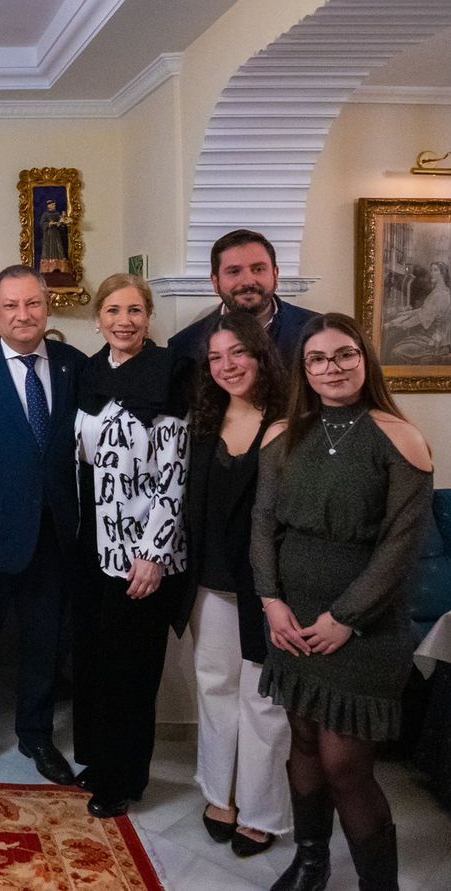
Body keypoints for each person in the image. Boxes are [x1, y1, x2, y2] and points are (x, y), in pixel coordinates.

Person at [251, 313, 432, 891]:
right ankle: (310, 862)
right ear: (304, 370)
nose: (333, 368)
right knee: (303, 738)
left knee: (345, 764)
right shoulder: (283, 434)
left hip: (365, 627)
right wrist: (271, 602)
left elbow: (401, 547)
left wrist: (345, 620)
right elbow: (261, 525)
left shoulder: (399, 436)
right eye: (319, 359)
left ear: (365, 358)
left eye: (345, 355)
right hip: (291, 618)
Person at [0, 264, 85, 786]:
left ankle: (36, 734)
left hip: (55, 534)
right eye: (11, 306)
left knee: (44, 643)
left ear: (47, 307)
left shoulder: (77, 366)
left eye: (32, 304)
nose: (23, 315)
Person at [72, 272, 191, 819]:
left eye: (135, 311)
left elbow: (174, 476)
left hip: (142, 552)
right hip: (91, 548)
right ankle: (98, 760)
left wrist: (153, 554)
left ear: (149, 318)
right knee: (94, 660)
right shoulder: (88, 372)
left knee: (132, 670)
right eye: (114, 311)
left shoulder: (170, 372)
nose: (124, 321)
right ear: (98, 319)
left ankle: (123, 779)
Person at [180, 312, 291, 858]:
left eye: (238, 354)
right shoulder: (205, 420)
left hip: (269, 587)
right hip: (210, 582)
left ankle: (263, 810)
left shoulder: (291, 421)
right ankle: (218, 795)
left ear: (261, 355)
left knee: (265, 701)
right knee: (215, 689)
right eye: (217, 357)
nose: (227, 366)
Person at [168, 229, 315, 368]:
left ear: (275, 275)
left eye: (258, 269)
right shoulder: (187, 346)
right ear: (215, 282)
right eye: (234, 271)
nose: (248, 281)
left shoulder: (315, 331)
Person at [384, 260, 451, 363]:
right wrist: (406, 313)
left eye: (435, 270)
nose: (431, 273)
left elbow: (420, 318)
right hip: (434, 339)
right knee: (400, 343)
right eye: (431, 270)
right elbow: (424, 309)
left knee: (396, 351)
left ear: (443, 274)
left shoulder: (439, 295)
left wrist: (398, 324)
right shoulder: (443, 291)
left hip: (435, 342)